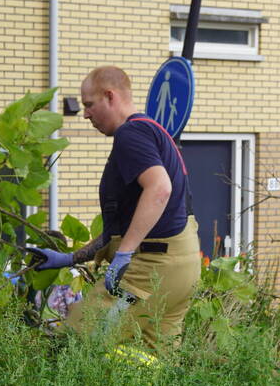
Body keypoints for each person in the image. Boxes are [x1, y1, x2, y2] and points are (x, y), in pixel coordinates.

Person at [28, 65, 201, 351]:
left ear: (110, 96)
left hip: (150, 271)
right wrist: (70, 258)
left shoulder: (130, 134)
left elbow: (159, 189)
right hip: (181, 269)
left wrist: (123, 255)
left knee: (74, 348)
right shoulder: (155, 132)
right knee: (152, 363)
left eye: (88, 104)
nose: (85, 114)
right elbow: (125, 228)